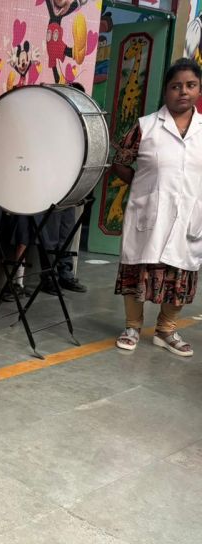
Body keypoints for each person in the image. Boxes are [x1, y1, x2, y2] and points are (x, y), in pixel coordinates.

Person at [111, 58, 202, 356]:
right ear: (166, 91)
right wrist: (144, 186)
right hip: (149, 212)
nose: (183, 92)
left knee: (181, 272)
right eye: (176, 86)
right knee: (137, 269)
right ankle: (132, 327)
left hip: (190, 216)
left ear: (199, 90)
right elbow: (120, 163)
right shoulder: (146, 126)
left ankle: (166, 330)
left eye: (190, 85)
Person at [37, 81, 90, 295]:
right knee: (49, 236)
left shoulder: (83, 126)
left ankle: (65, 274)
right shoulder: (52, 125)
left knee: (66, 233)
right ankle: (47, 277)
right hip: (51, 188)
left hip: (72, 189)